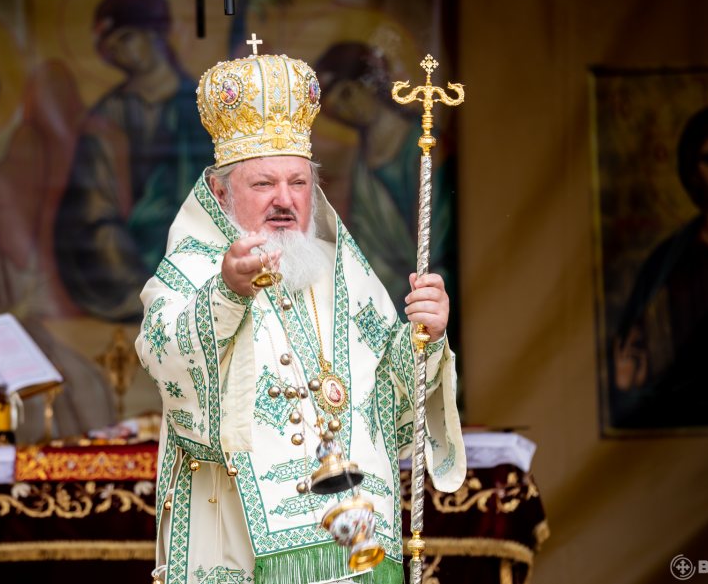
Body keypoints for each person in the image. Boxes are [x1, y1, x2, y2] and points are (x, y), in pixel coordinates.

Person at [136, 48, 465, 583]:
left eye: (298, 183)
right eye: (263, 184)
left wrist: (424, 337)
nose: (284, 200)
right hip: (241, 544)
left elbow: (391, 408)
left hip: (355, 540)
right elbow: (166, 361)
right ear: (220, 192)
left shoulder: (347, 276)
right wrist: (227, 292)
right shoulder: (195, 269)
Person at [0, 42, 115, 442]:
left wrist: (14, 295)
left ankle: (95, 489)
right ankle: (29, 496)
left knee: (81, 376)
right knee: (30, 396)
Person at [55, 0, 214, 321]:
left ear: (155, 31)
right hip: (131, 264)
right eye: (110, 48)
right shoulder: (106, 117)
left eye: (126, 38)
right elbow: (91, 208)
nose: (120, 53)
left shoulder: (206, 106)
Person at [610, 104, 708, 429]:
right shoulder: (666, 262)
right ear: (693, 171)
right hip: (684, 416)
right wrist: (629, 384)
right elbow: (634, 364)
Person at [314, 42, 457, 317]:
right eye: (335, 110)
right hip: (389, 293)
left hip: (431, 291)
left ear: (371, 82)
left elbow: (439, 238)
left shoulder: (425, 146)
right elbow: (367, 240)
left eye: (347, 93)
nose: (347, 109)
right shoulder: (362, 162)